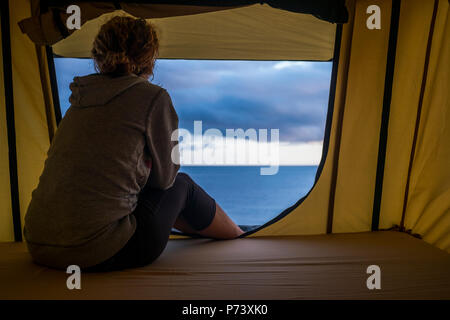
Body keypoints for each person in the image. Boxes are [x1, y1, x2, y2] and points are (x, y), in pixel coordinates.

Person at [23, 16, 244, 272]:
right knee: (182, 185)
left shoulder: (79, 98)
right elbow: (165, 181)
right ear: (150, 56)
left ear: (98, 54)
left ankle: (226, 232)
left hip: (40, 244)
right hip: (96, 252)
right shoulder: (152, 97)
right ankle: (238, 237)